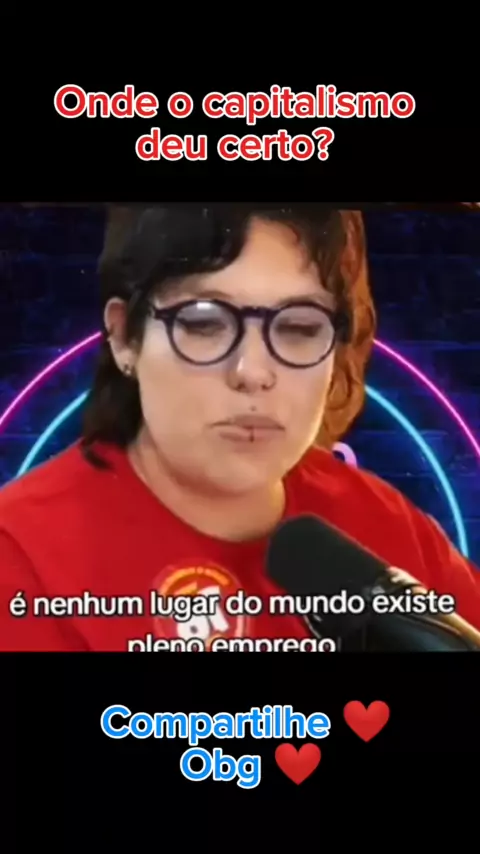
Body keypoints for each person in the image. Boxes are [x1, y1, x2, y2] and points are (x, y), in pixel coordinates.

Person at [0, 203, 479, 652]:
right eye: (204, 323)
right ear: (124, 336)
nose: (253, 372)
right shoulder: (22, 556)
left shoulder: (389, 528)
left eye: (298, 327)